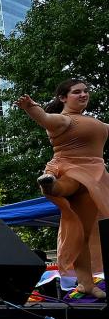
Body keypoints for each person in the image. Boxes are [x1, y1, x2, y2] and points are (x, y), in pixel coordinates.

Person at [17, 79, 108, 299]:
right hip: (70, 167)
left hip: (95, 174)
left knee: (83, 234)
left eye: (86, 91)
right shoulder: (64, 120)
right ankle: (51, 186)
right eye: (77, 92)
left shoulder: (95, 122)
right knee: (71, 184)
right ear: (63, 97)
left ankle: (86, 283)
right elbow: (46, 119)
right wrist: (31, 108)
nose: (84, 95)